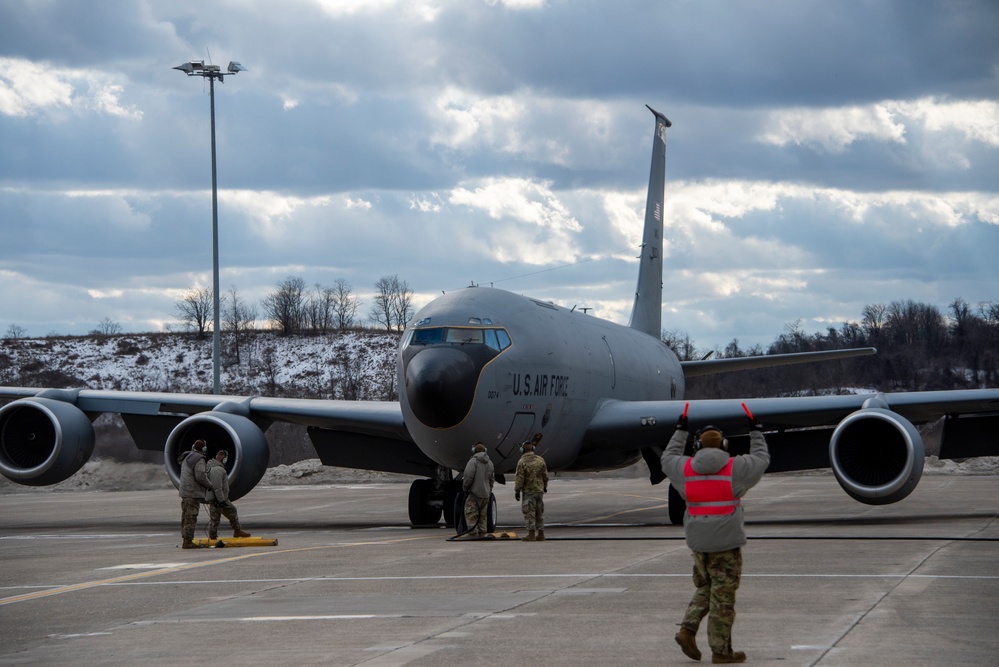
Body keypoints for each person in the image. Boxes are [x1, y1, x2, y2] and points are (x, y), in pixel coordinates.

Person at [660, 406, 770, 664]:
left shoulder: (684, 469)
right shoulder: (736, 467)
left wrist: (680, 431)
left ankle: (687, 629)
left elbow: (668, 457)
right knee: (724, 596)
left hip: (698, 543)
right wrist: (756, 432)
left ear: (697, 445)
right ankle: (721, 651)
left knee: (706, 586)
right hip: (726, 544)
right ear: (724, 445)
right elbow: (761, 458)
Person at [205, 450, 251, 540]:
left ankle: (237, 531)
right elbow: (217, 487)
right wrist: (221, 500)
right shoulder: (217, 470)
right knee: (215, 518)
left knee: (231, 511)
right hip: (218, 499)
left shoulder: (215, 468)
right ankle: (213, 535)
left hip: (220, 498)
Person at [178, 439, 212, 549]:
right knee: (191, 517)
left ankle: (185, 539)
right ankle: (188, 541)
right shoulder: (199, 459)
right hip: (192, 492)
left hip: (185, 492)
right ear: (203, 449)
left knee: (186, 516)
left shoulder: (187, 457)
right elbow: (200, 476)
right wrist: (209, 485)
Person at [514, 434, 548, 542]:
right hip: (539, 490)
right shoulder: (540, 459)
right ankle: (541, 534)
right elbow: (545, 476)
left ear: (522, 450)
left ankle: (531, 534)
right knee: (539, 512)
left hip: (529, 491)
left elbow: (520, 478)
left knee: (529, 513)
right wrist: (545, 487)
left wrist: (517, 491)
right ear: (533, 448)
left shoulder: (522, 462)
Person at [461, 442, 495, 537]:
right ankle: (482, 532)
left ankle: (472, 533)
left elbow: (468, 477)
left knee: (470, 513)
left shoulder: (473, 461)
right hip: (486, 494)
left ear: (474, 450)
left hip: (475, 493)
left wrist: (465, 488)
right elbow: (492, 479)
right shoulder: (490, 462)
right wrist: (489, 490)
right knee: (483, 515)